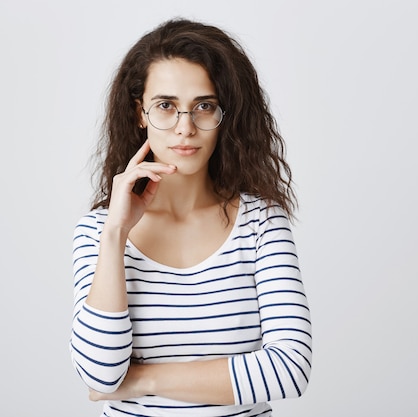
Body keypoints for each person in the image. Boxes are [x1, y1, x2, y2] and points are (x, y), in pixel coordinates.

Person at [70, 18, 312, 417]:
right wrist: (116, 232)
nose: (185, 127)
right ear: (140, 113)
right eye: (166, 106)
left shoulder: (262, 223)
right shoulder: (98, 231)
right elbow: (100, 375)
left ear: (224, 115)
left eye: (204, 106)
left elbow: (289, 369)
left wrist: (142, 380)